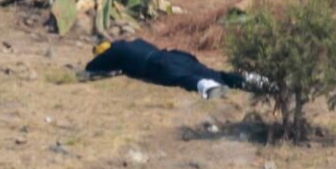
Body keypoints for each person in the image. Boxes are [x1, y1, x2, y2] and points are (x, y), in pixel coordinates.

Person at [85, 39, 267, 99]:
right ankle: (251, 80)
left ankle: (208, 88)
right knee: (216, 73)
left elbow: (91, 68)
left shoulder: (115, 51)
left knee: (186, 79)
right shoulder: (137, 42)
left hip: (158, 65)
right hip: (178, 56)